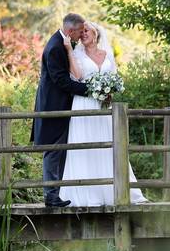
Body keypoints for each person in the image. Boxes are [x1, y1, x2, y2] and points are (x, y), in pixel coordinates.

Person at [59, 21, 147, 206]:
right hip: (84, 103)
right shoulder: (76, 54)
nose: (83, 34)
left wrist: (109, 92)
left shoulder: (107, 54)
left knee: (107, 146)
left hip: (103, 106)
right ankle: (88, 194)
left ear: (96, 33)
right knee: (86, 145)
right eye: (81, 32)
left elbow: (113, 77)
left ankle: (114, 192)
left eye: (87, 31)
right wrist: (69, 50)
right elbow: (77, 76)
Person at [32, 13, 90, 208]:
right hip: (53, 106)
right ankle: (50, 196)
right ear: (71, 31)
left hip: (58, 105)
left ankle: (55, 194)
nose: (81, 35)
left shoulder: (60, 43)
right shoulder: (56, 47)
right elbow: (61, 81)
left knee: (59, 150)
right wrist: (89, 90)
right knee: (53, 150)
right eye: (80, 31)